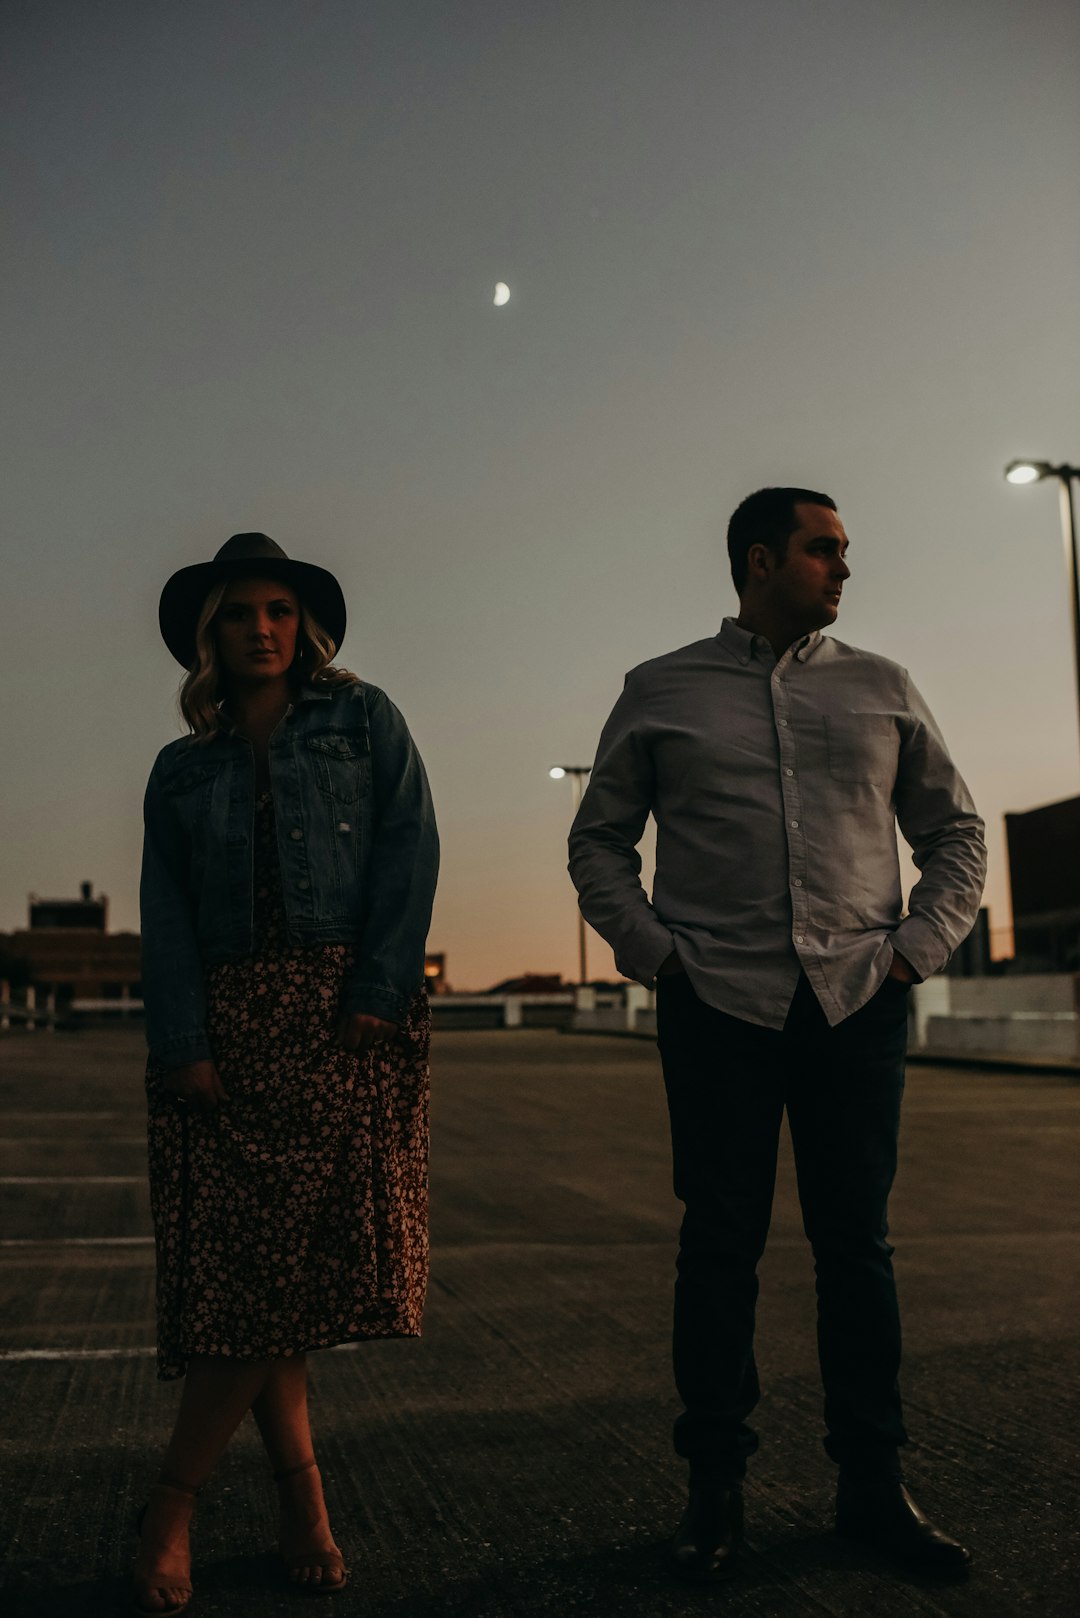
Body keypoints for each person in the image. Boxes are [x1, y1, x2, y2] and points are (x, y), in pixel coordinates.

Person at [568, 487, 985, 1583]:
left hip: (857, 1002)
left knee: (859, 1250)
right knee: (718, 1250)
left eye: (843, 550)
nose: (844, 569)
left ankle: (872, 1486)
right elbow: (598, 841)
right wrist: (659, 956)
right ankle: (715, 1493)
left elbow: (957, 831)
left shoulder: (883, 686)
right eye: (823, 550)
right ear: (760, 560)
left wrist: (911, 953)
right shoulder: (659, 691)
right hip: (721, 1009)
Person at [134, 533, 438, 1614]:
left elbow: (408, 849)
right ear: (210, 636)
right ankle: (296, 1505)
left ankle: (176, 1502)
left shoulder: (364, 719)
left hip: (338, 1018)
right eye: (237, 614)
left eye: (276, 610)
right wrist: (184, 1044)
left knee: (284, 1275)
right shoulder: (182, 769)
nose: (259, 629)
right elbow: (164, 917)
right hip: (226, 1024)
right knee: (259, 1281)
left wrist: (378, 995)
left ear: (300, 625)